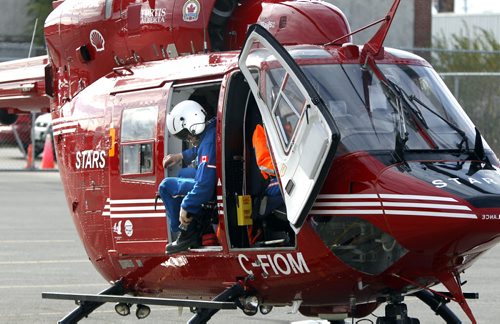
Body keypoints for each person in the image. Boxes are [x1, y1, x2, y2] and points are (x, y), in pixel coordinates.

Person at [159, 100, 216, 255]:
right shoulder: (212, 127)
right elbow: (200, 148)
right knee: (183, 174)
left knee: (166, 186)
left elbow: (204, 185)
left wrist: (186, 206)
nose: (188, 139)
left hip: (213, 189)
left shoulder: (208, 144)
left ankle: (184, 232)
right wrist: (181, 156)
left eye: (187, 135)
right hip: (218, 183)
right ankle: (204, 229)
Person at [252, 123, 284, 218]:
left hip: (280, 172)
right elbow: (264, 163)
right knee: (292, 184)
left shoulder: (278, 125)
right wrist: (284, 171)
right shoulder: (260, 132)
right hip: (270, 181)